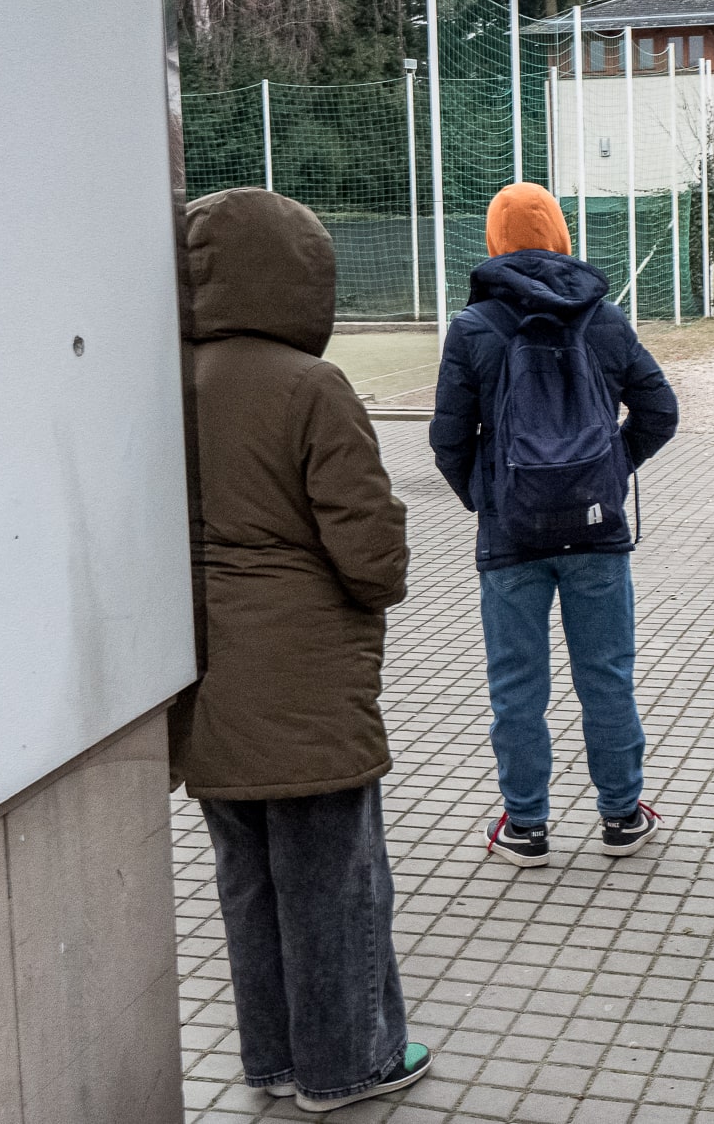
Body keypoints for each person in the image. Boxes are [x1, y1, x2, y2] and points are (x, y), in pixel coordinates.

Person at [168, 188, 431, 1112]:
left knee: (248, 885)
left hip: (203, 678)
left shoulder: (164, 377)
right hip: (308, 683)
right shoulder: (310, 387)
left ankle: (273, 1061)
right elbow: (368, 554)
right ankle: (348, 1063)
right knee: (335, 885)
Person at [429, 182, 680, 867]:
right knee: (607, 675)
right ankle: (622, 815)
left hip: (511, 536)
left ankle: (527, 826)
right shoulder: (604, 317)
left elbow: (447, 439)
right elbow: (662, 412)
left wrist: (490, 494)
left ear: (493, 241)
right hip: (597, 530)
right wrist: (610, 467)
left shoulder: (474, 327)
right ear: (563, 235)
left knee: (516, 686)